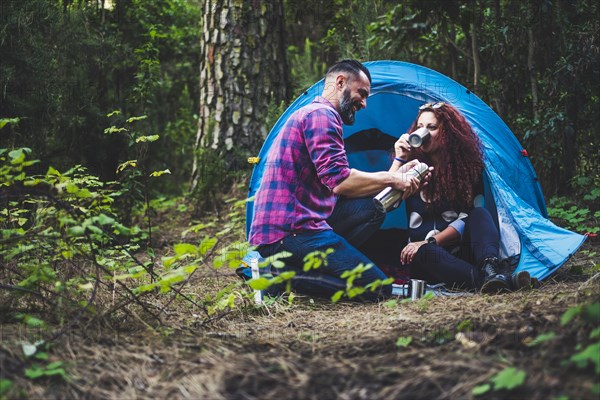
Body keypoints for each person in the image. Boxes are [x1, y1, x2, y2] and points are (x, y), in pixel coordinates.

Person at [248, 59, 427, 301]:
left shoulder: (313, 114)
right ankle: (284, 279)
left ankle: (292, 271)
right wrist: (395, 179)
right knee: (378, 288)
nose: (364, 104)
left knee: (372, 208)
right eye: (361, 94)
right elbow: (341, 182)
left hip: (293, 228)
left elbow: (348, 190)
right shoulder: (322, 115)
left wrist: (399, 167)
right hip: (290, 233)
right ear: (340, 82)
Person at [392, 101, 530, 293]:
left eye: (431, 127)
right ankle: (494, 280)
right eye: (420, 127)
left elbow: (466, 218)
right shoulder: (411, 168)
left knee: (480, 214)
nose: (423, 133)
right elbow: (385, 204)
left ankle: (490, 270)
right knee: (425, 252)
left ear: (447, 133)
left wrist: (432, 240)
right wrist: (399, 159)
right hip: (427, 257)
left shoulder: (468, 169)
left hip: (460, 251)